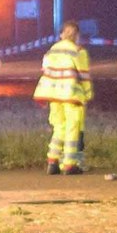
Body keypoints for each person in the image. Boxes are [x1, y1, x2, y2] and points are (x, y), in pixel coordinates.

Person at [35, 21, 92, 174]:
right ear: (77, 36)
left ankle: (52, 161)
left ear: (61, 35)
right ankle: (69, 164)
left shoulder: (52, 50)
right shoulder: (78, 51)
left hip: (53, 95)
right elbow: (84, 76)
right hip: (71, 95)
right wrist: (87, 94)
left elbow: (45, 69)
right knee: (72, 127)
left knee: (59, 127)